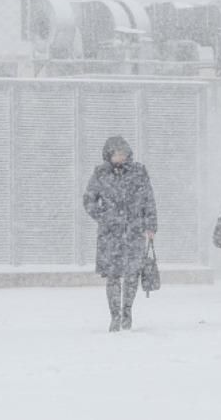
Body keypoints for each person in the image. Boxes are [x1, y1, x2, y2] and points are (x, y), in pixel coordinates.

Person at [83, 136, 157, 332]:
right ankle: (115, 316)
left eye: (123, 153)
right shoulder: (100, 173)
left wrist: (150, 226)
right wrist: (103, 216)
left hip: (134, 230)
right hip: (110, 233)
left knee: (132, 274)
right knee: (113, 276)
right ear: (109, 155)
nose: (120, 157)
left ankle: (127, 312)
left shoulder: (139, 172)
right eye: (116, 154)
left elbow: (149, 199)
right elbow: (89, 200)